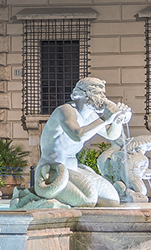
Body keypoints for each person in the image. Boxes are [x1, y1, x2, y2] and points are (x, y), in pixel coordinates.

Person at [36, 77, 130, 206]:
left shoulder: (91, 115)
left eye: (103, 93)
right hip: (54, 171)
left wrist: (117, 121)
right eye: (99, 93)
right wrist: (105, 119)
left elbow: (111, 135)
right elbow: (77, 135)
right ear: (85, 94)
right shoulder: (65, 110)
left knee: (112, 200)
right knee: (88, 200)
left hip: (73, 169)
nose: (103, 98)